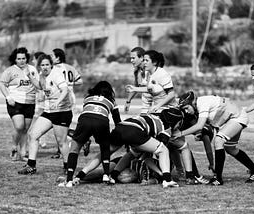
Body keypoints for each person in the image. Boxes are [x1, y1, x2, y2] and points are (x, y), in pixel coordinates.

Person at [65, 108, 183, 188]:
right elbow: (160, 148)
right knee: (164, 150)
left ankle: (82, 176)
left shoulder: (152, 116)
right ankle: (167, 180)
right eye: (179, 122)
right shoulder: (166, 127)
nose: (179, 126)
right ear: (175, 121)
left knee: (106, 153)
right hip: (135, 131)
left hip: (121, 127)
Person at [174, 91, 254, 186]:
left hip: (237, 117)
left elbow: (199, 126)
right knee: (230, 149)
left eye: (187, 108)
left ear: (193, 102)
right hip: (234, 117)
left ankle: (218, 178)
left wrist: (181, 133)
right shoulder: (200, 104)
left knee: (219, 140)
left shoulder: (202, 103)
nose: (186, 111)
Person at [125, 49, 185, 180]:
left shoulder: (162, 74)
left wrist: (157, 105)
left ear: (154, 62)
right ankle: (158, 174)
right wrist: (133, 92)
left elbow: (171, 94)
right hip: (156, 113)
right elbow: (149, 89)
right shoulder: (147, 73)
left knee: (177, 144)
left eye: (146, 60)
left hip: (169, 113)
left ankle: (188, 173)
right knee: (157, 145)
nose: (132, 60)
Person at [58, 81, 121, 187]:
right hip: (101, 121)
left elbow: (88, 112)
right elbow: (117, 121)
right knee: (105, 146)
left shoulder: (88, 98)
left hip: (85, 120)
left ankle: (69, 180)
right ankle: (106, 175)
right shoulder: (111, 101)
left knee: (74, 149)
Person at [18, 54, 72, 175]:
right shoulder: (42, 75)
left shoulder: (56, 74)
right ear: (39, 66)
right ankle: (31, 166)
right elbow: (40, 86)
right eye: (42, 65)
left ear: (51, 65)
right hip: (48, 112)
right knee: (33, 135)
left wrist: (57, 102)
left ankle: (68, 166)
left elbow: (65, 90)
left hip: (62, 112)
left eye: (47, 64)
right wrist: (29, 76)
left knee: (61, 142)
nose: (45, 67)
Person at [0, 47, 38, 161]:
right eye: (19, 58)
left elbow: (38, 84)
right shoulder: (10, 70)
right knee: (19, 126)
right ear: (15, 59)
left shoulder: (32, 69)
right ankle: (14, 147)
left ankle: (23, 153)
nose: (21, 60)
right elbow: (1, 84)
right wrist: (8, 97)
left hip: (30, 102)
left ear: (27, 58)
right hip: (15, 102)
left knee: (25, 129)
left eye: (23, 58)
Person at [50, 48, 83, 159]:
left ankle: (82, 140)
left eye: (52, 56)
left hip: (61, 96)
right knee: (62, 123)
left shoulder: (53, 68)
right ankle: (60, 150)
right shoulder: (70, 67)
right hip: (70, 95)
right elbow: (80, 81)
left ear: (58, 57)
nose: (50, 58)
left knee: (58, 123)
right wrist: (69, 83)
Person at [124, 47, 152, 113]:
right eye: (131, 58)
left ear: (142, 58)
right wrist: (128, 101)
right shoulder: (137, 71)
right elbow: (136, 86)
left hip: (156, 105)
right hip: (145, 106)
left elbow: (151, 89)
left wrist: (134, 88)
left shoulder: (151, 70)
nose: (131, 60)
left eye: (133, 58)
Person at [30, 51, 47, 148]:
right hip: (40, 102)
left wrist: (41, 95)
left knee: (37, 123)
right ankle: (41, 140)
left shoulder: (42, 72)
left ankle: (39, 140)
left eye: (34, 59)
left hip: (43, 103)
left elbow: (42, 87)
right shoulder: (37, 71)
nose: (32, 61)